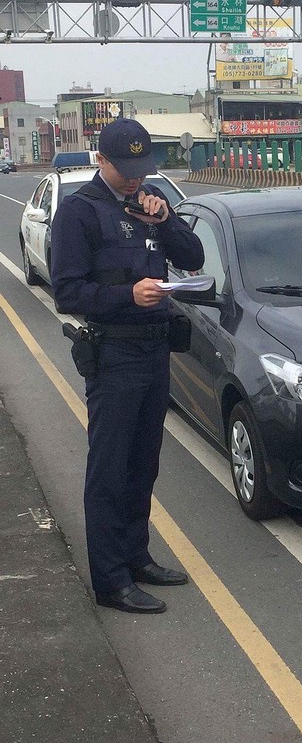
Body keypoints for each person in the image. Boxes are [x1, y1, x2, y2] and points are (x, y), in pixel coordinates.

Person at [51, 118, 204, 614]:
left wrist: (166, 220)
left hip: (155, 351)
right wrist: (126, 295)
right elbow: (68, 292)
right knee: (110, 469)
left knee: (144, 463)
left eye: (143, 168)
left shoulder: (152, 200)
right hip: (114, 355)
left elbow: (193, 256)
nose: (137, 179)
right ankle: (110, 578)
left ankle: (137, 557)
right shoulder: (79, 212)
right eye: (126, 170)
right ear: (101, 161)